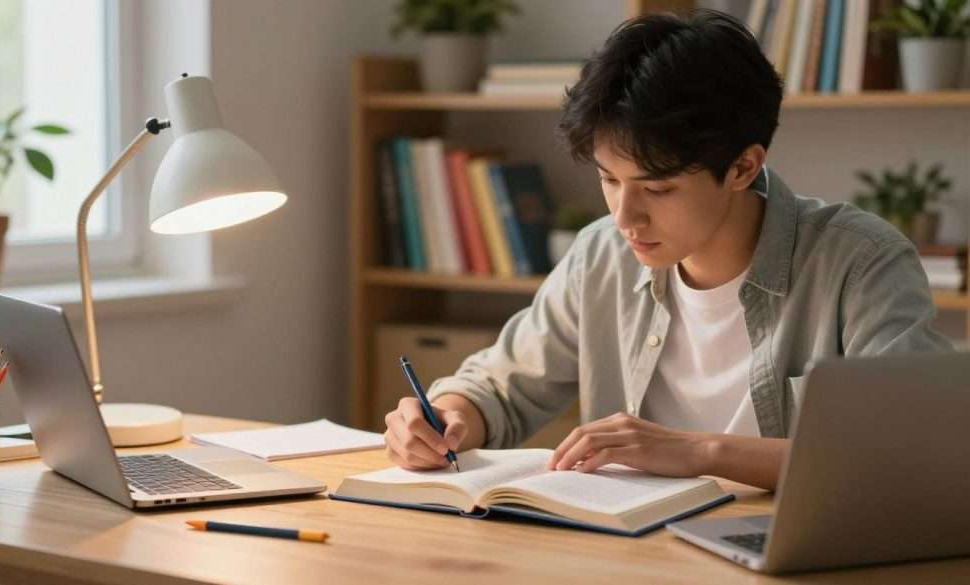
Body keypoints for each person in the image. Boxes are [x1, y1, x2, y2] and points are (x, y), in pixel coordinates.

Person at [382, 10, 952, 491]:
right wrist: (446, 418)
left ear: (743, 167)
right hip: (635, 554)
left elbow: (908, 453)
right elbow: (500, 386)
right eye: (609, 179)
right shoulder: (601, 255)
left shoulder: (861, 262)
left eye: (657, 188)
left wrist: (700, 452)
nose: (624, 216)